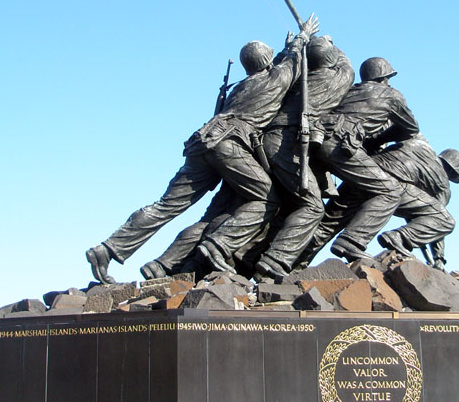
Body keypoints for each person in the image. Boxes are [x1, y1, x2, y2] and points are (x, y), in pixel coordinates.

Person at [86, 15, 319, 283]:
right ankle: (219, 245)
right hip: (229, 145)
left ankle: (109, 248)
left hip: (202, 141)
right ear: (268, 61)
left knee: (166, 205)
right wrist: (303, 35)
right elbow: (293, 62)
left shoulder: (240, 87)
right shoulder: (274, 79)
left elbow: (282, 62)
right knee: (267, 199)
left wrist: (286, 48)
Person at [252, 35, 355, 280]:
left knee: (287, 205)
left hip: (267, 140)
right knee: (312, 206)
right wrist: (328, 42)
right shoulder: (336, 78)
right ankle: (274, 260)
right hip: (285, 142)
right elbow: (346, 66)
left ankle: (247, 259)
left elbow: (275, 70)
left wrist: (295, 47)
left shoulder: (298, 80)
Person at [311, 56, 419, 261]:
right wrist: (379, 140)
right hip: (341, 146)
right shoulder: (392, 95)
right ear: (384, 78)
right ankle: (352, 241)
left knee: (324, 210)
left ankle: (292, 261)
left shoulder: (349, 91)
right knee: (390, 191)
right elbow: (411, 128)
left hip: (318, 140)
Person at [298, 137, 459, 270]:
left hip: (365, 171)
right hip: (392, 184)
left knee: (326, 226)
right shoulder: (443, 184)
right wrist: (438, 258)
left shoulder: (417, 142)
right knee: (445, 220)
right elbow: (433, 219)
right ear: (452, 173)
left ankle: (291, 265)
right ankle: (397, 237)